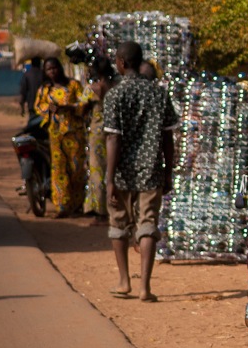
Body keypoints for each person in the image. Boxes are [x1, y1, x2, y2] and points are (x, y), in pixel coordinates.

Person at [104, 41, 178, 303]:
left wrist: (110, 179)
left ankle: (124, 282)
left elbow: (113, 139)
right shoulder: (159, 94)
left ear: (122, 62)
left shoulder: (114, 95)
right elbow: (168, 139)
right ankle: (145, 287)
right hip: (151, 171)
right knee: (148, 224)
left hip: (122, 171)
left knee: (119, 224)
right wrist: (169, 172)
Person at [34, 56, 88, 218]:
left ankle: (77, 205)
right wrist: (50, 108)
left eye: (54, 68)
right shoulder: (44, 89)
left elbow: (83, 102)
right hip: (56, 133)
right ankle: (62, 206)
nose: (52, 72)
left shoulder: (73, 85)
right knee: (59, 169)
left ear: (60, 68)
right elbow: (39, 106)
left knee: (76, 168)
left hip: (74, 133)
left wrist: (71, 107)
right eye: (49, 69)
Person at [83, 56, 118, 222]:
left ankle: (99, 212)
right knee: (112, 170)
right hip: (115, 131)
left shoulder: (91, 89)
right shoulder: (116, 88)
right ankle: (114, 210)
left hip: (97, 133)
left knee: (97, 171)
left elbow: (80, 109)